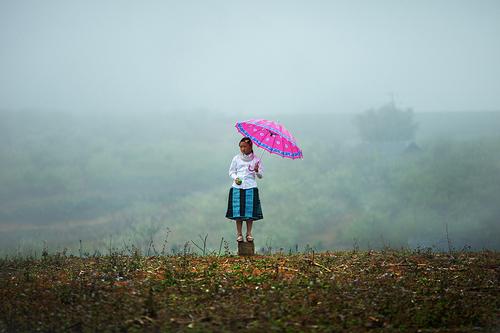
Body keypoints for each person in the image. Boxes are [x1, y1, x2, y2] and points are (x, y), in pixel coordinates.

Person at [225, 137, 264, 242]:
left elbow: (260, 175)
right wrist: (235, 178)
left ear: (250, 146)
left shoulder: (257, 160)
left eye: (244, 146)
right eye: (241, 147)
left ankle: (249, 233)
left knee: (249, 213)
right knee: (238, 213)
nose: (242, 149)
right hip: (237, 188)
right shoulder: (236, 158)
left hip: (251, 188)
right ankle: (239, 234)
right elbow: (231, 172)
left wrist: (257, 171)